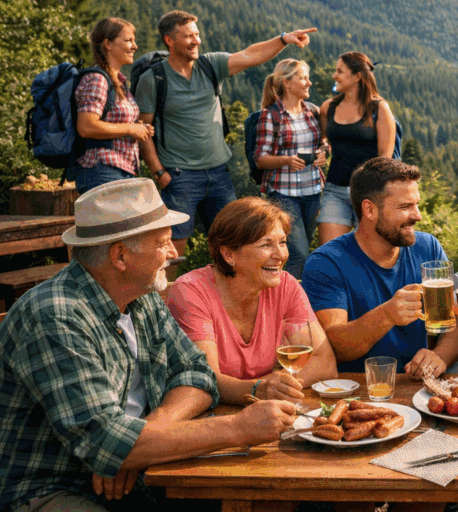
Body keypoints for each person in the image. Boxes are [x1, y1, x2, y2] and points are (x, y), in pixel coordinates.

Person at [0, 179, 296, 512]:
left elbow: (197, 373)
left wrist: (141, 441)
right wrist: (239, 427)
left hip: (143, 470)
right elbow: (106, 440)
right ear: (120, 256)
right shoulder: (55, 316)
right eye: (163, 242)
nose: (173, 253)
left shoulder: (142, 298)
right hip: (54, 487)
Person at [135, 9, 317, 267]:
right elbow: (144, 130)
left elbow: (250, 55)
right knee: (173, 248)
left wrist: (284, 39)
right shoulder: (153, 80)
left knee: (235, 243)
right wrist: (158, 171)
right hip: (179, 176)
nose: (196, 40)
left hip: (219, 174)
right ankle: (164, 302)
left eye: (197, 34)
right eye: (188, 36)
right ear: (169, 40)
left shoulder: (210, 66)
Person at [302, 157, 458, 378]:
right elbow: (334, 348)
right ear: (369, 210)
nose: (418, 215)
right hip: (358, 391)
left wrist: (441, 355)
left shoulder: (428, 247)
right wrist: (387, 314)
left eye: (416, 204)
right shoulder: (326, 262)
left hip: (416, 386)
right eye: (405, 206)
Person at [167, 197, 336, 405]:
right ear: (229, 254)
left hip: (265, 411)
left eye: (282, 242)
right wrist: (262, 389)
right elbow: (208, 381)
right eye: (266, 244)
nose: (281, 255)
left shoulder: (286, 285)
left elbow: (324, 362)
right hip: (211, 417)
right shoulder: (191, 292)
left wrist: (269, 389)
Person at [253, 59, 327, 279]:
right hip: (284, 193)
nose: (309, 83)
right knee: (299, 253)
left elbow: (323, 141)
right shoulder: (271, 115)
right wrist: (286, 160)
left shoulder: (312, 111)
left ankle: (286, 293)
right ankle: (286, 302)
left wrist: (324, 151)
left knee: (297, 251)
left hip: (313, 191)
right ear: (286, 82)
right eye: (303, 78)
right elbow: (260, 158)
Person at [318, 51, 397, 244]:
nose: (334, 76)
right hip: (335, 190)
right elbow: (323, 140)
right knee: (330, 253)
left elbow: (385, 158)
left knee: (373, 252)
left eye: (340, 71)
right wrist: (322, 151)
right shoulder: (328, 107)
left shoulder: (379, 109)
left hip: (369, 192)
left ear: (357, 77)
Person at [73, 17, 154, 193]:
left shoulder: (118, 80)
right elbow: (86, 126)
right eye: (128, 40)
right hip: (102, 170)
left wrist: (139, 129)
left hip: (120, 169)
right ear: (108, 44)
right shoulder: (97, 79)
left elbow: (115, 122)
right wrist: (130, 129)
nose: (135, 46)